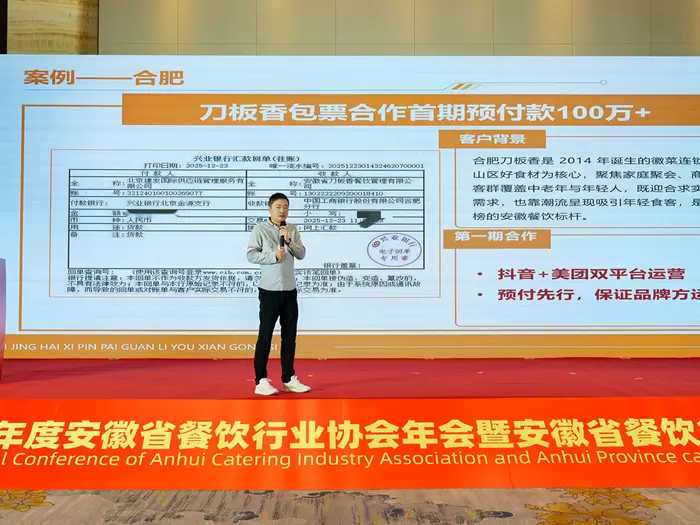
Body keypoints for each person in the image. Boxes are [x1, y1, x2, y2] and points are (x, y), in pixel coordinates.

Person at [246, 193, 311, 396]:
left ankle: (288, 379)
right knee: (265, 336)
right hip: (269, 291)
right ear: (270, 209)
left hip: (289, 290)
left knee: (289, 336)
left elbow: (301, 254)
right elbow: (251, 255)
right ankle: (260, 380)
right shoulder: (260, 229)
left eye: (285, 207)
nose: (282, 210)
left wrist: (289, 241)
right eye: (278, 207)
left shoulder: (292, 229)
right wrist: (273, 255)